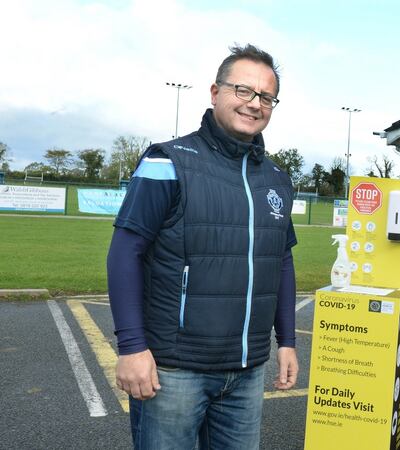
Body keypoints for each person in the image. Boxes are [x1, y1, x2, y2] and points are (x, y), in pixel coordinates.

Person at [107, 44, 298, 449]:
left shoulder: (278, 179)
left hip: (246, 373)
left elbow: (280, 260)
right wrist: (131, 347)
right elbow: (125, 253)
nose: (254, 104)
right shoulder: (168, 161)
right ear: (215, 93)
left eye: (266, 96)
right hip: (175, 372)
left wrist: (288, 342)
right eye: (243, 90)